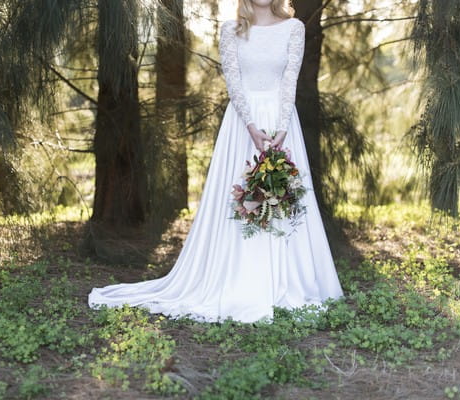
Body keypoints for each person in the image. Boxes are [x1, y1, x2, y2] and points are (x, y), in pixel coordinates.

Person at [88, 0, 343, 323]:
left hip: (281, 124)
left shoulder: (293, 29)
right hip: (241, 126)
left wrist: (279, 129)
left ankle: (287, 279)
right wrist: (252, 127)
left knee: (284, 196)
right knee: (240, 197)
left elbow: (289, 78)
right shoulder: (231, 30)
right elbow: (234, 82)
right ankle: (238, 277)